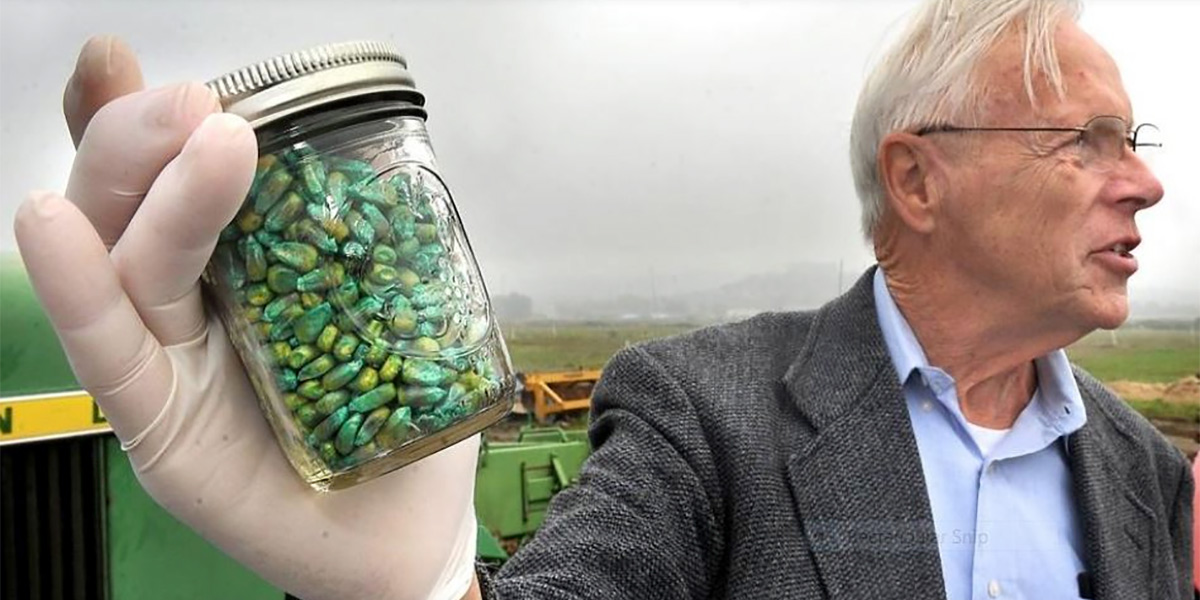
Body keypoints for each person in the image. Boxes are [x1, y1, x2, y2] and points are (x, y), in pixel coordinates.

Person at [15, 0, 1193, 598]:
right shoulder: (705, 412)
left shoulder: (1146, 473)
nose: (1143, 182)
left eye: (1132, 140)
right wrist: (417, 591)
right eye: (1084, 143)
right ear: (917, 177)